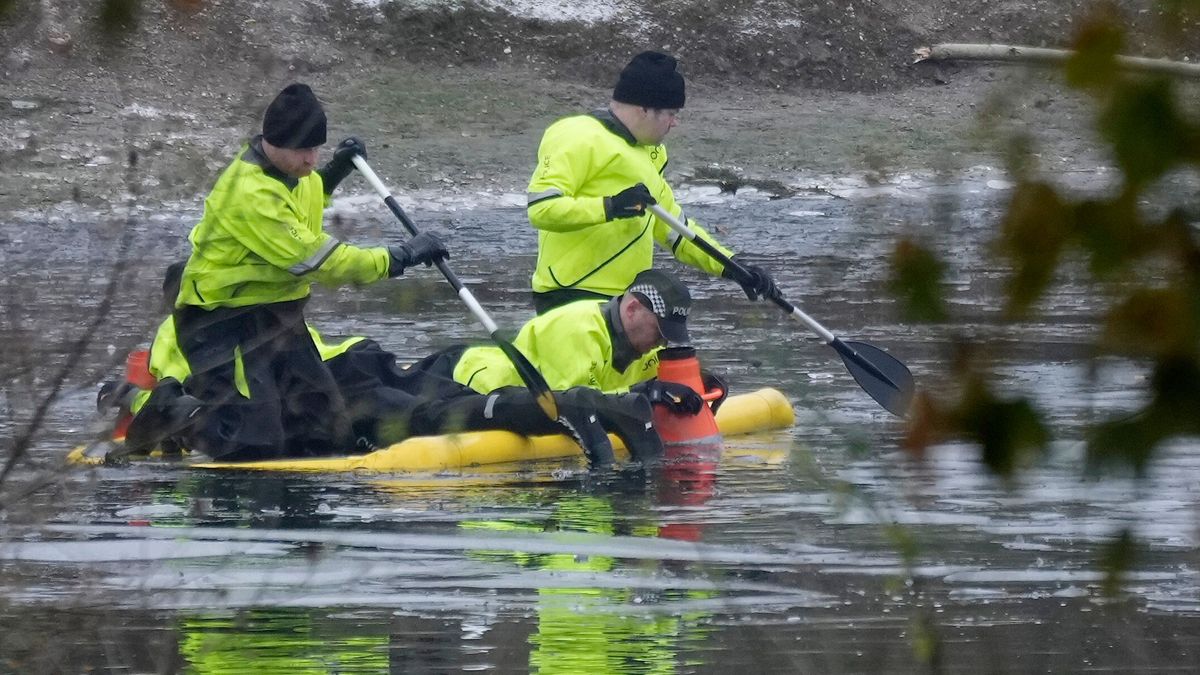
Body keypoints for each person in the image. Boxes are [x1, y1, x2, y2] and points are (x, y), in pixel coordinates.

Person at [148, 82, 449, 462]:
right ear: (273, 143)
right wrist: (401, 257)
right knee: (252, 443)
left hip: (280, 314)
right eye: (302, 150)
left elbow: (307, 196)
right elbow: (321, 262)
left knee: (323, 427)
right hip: (222, 321)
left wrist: (336, 171)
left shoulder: (297, 174)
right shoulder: (251, 194)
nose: (310, 160)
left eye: (316, 149)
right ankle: (173, 412)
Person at [525, 50, 779, 314]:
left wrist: (733, 267)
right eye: (671, 113)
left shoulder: (650, 154)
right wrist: (611, 207)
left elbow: (676, 231)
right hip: (570, 297)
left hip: (627, 303)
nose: (675, 123)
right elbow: (542, 209)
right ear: (645, 108)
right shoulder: (578, 135)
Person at [398, 269, 727, 465]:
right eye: (660, 330)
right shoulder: (575, 329)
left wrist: (698, 385)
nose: (662, 342)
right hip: (463, 381)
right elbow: (570, 403)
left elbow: (652, 383)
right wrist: (644, 393)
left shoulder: (643, 342)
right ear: (632, 310)